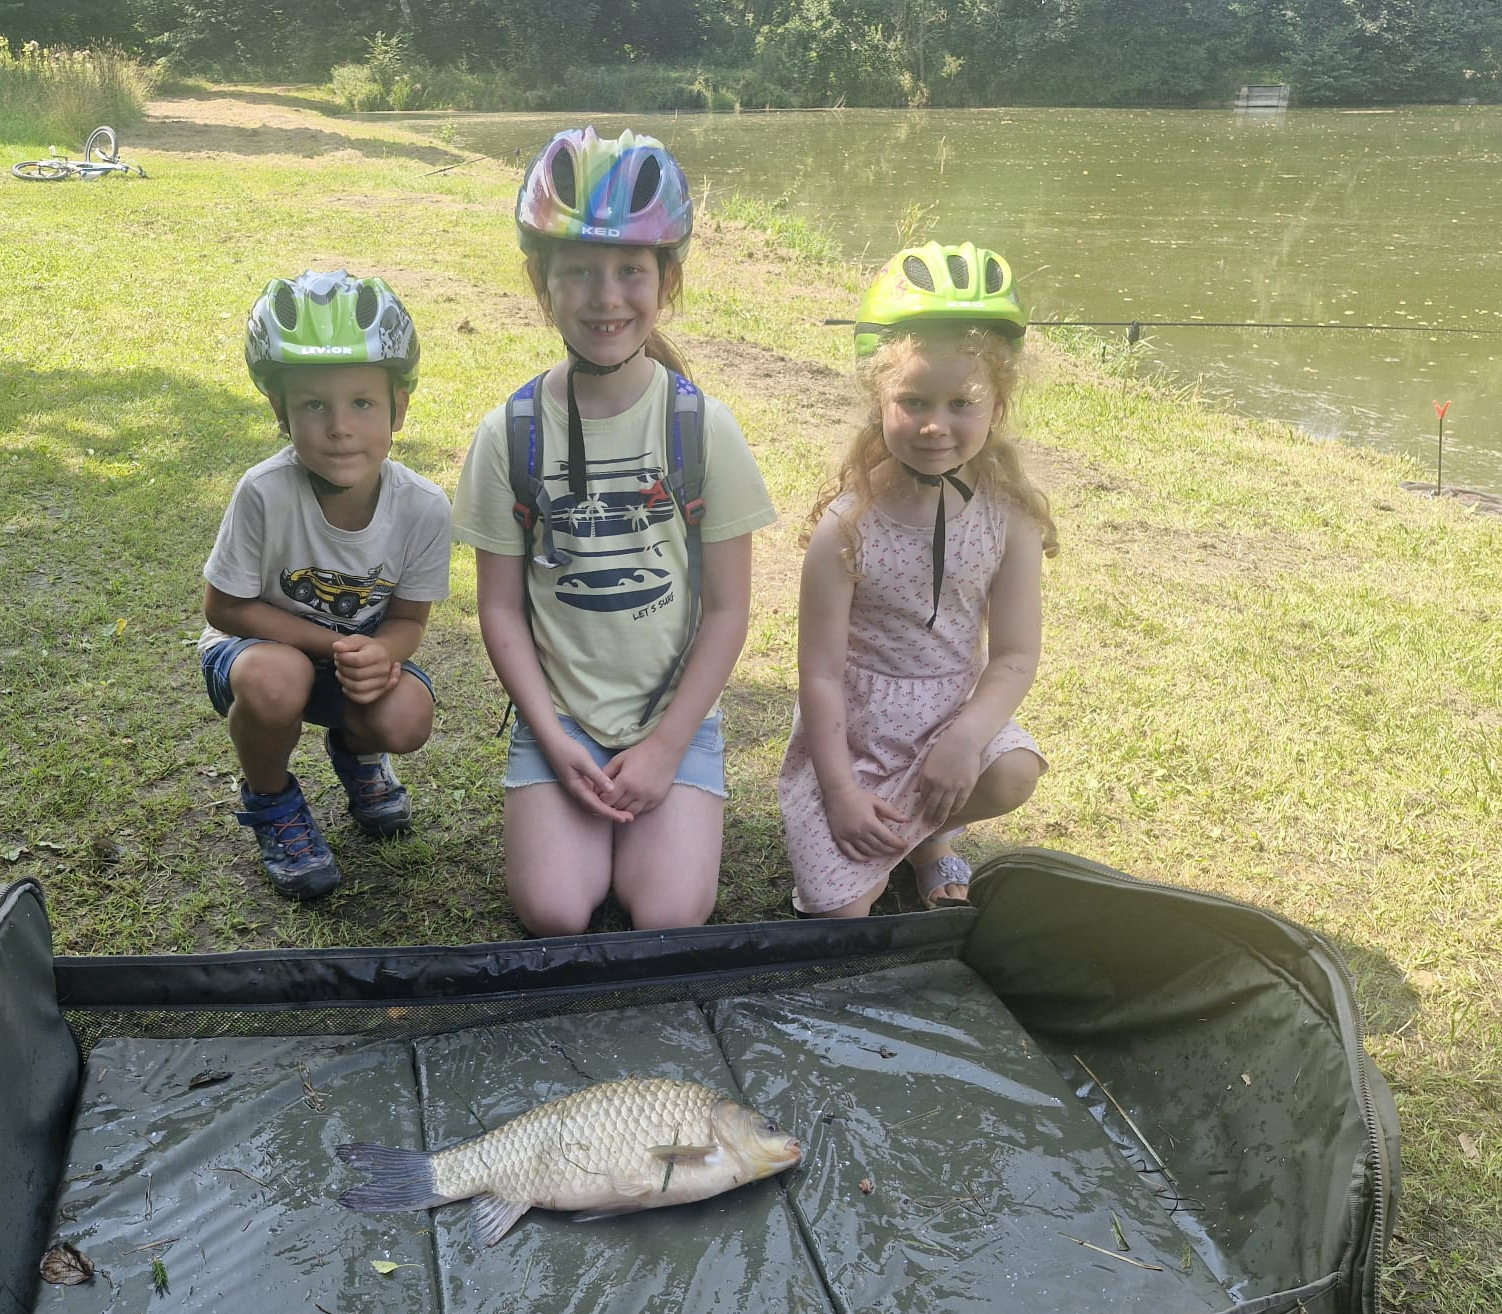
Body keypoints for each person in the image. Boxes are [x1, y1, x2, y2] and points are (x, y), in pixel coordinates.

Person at [452, 127, 777, 936]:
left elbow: (729, 610)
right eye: (579, 271)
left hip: (675, 720)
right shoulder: (509, 434)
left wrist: (667, 747)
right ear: (541, 280)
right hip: (560, 722)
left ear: (668, 279)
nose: (606, 297)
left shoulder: (704, 429)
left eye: (631, 269)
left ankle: (666, 796)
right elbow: (499, 608)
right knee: (555, 911)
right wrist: (550, 736)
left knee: (669, 912)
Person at [779, 241, 1057, 916]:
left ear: (998, 406)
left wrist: (965, 740)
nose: (936, 425)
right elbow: (819, 673)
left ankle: (926, 837)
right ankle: (911, 838)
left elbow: (1015, 654)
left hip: (950, 718)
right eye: (913, 400)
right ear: (878, 400)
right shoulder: (845, 528)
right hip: (857, 738)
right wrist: (841, 794)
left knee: (1014, 771)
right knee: (839, 914)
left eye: (962, 402)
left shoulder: (1009, 519)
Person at [198, 270, 451, 900]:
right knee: (275, 678)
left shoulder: (424, 506)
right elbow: (224, 606)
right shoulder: (264, 492)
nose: (339, 427)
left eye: (362, 403)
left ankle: (358, 756)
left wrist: (382, 653)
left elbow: (409, 621)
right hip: (256, 655)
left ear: (399, 407)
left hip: (348, 664)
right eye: (314, 404)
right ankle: (272, 801)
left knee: (407, 716)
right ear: (280, 411)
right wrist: (331, 643)